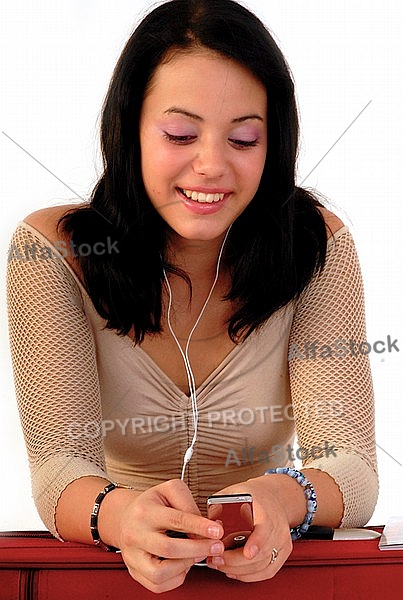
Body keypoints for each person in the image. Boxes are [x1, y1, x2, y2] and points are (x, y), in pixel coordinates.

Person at [7, 0, 378, 593]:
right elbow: (57, 468)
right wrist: (128, 518)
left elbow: (353, 466)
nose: (211, 166)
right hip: (116, 570)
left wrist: (280, 500)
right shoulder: (52, 251)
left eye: (244, 139)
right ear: (128, 129)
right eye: (180, 134)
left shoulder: (316, 246)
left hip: (271, 575)